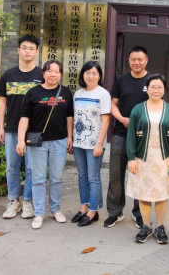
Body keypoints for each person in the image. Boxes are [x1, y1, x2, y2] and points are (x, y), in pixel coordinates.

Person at [16, 60, 74, 230]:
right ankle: (39, 213)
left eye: (56, 71)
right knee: (38, 179)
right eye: (49, 71)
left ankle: (55, 210)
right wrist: (20, 140)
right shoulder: (33, 93)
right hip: (37, 143)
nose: (53, 74)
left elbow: (69, 116)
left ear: (61, 74)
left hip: (59, 141)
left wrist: (70, 137)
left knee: (56, 178)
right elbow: (24, 118)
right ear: (43, 74)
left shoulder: (65, 92)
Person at [126, 74, 169, 244]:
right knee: (144, 194)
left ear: (164, 90)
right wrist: (131, 158)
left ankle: (160, 227)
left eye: (159, 87)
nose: (156, 90)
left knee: (161, 194)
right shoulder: (138, 109)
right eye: (153, 87)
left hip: (164, 158)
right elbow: (131, 135)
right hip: (143, 158)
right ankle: (146, 226)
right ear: (147, 89)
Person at [0, 35, 43, 219]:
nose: (27, 51)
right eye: (24, 48)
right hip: (12, 129)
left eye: (31, 48)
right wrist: (1, 127)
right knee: (12, 167)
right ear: (18, 50)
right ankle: (13, 200)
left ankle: (28, 200)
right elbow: (2, 101)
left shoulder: (41, 75)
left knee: (31, 168)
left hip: (34, 130)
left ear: (36, 52)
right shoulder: (9, 75)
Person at [105, 46, 150, 229]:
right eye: (133, 59)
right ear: (129, 60)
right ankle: (115, 212)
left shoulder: (152, 80)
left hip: (144, 136)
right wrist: (122, 119)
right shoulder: (121, 80)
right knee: (116, 174)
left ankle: (139, 214)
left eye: (140, 59)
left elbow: (158, 104)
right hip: (121, 133)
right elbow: (112, 104)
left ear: (146, 60)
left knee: (141, 175)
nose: (136, 62)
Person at [70, 61, 111, 227]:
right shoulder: (77, 94)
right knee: (82, 176)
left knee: (93, 177)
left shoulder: (103, 94)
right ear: (83, 75)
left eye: (94, 73)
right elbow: (74, 118)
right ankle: (84, 208)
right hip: (79, 142)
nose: (91, 76)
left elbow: (106, 120)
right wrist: (71, 139)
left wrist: (100, 144)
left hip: (94, 143)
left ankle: (93, 211)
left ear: (99, 76)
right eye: (87, 73)